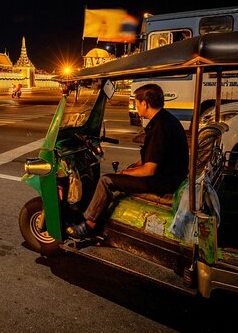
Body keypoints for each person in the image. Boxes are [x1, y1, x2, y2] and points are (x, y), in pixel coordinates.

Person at [67, 83, 189, 239]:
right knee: (120, 174)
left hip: (162, 182)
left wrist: (124, 173)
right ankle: (102, 215)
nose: (136, 106)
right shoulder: (165, 120)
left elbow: (149, 169)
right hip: (169, 176)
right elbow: (152, 156)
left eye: (136, 103)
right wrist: (131, 168)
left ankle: (89, 225)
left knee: (106, 180)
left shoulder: (160, 127)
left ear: (145, 103)